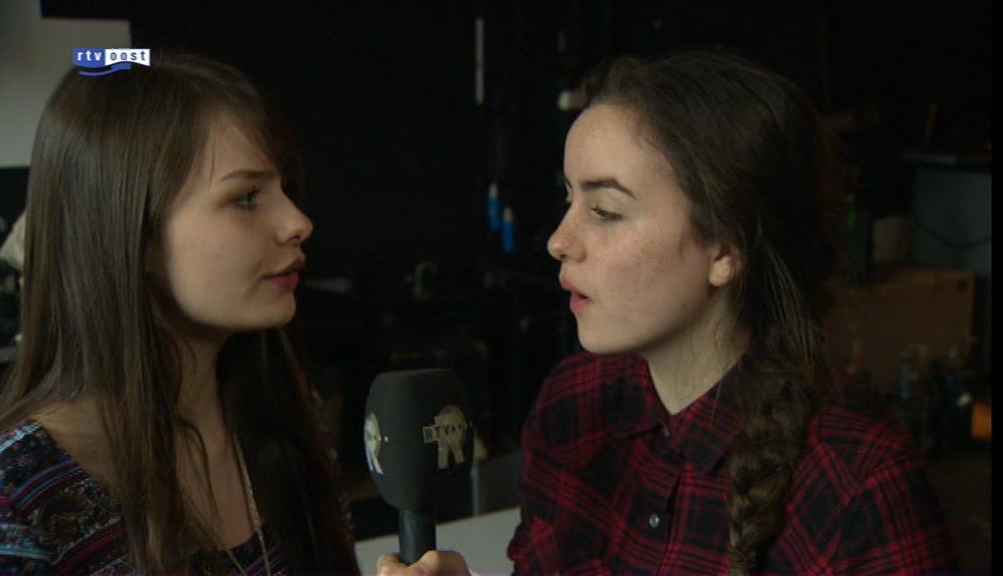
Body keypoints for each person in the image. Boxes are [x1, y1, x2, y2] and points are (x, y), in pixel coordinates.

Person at [378, 49, 961, 575]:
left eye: (605, 211)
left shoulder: (859, 483)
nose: (558, 240)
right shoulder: (572, 402)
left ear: (725, 248)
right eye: (568, 199)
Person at [0, 51, 360, 574]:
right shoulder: (16, 497)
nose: (297, 222)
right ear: (133, 232)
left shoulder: (285, 418)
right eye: (247, 197)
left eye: (285, 189)